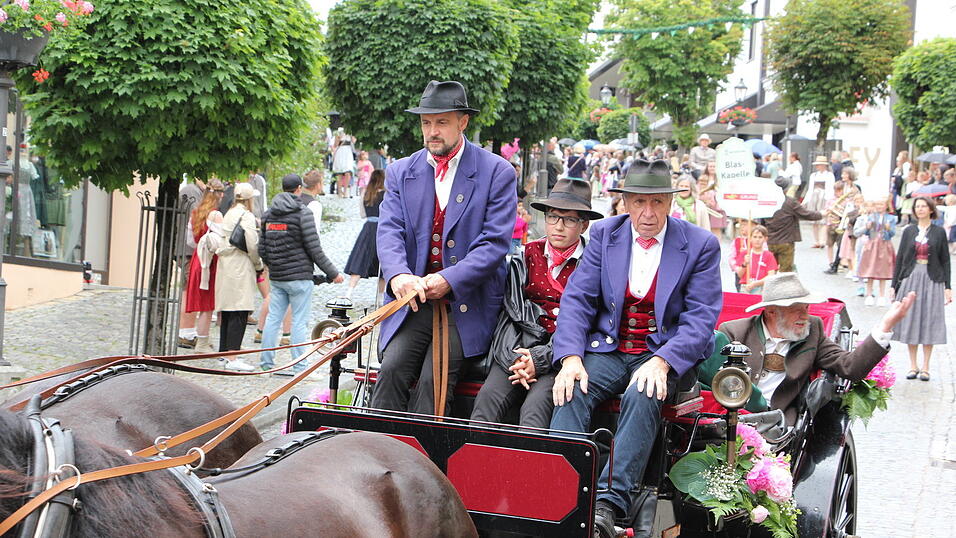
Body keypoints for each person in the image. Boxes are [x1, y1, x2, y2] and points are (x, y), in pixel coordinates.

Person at [549, 159, 722, 537]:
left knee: (644, 391)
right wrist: (571, 358)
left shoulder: (700, 245)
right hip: (609, 350)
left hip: (661, 352)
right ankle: (564, 489)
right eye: (639, 202)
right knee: (569, 387)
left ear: (670, 204)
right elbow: (578, 300)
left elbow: (701, 319)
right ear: (624, 202)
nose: (648, 213)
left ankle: (609, 504)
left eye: (657, 202)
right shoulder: (605, 235)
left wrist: (663, 361)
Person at [371, 80, 516, 416]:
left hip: (467, 304)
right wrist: (399, 277)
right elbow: (390, 231)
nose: (432, 131)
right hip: (414, 301)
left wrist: (448, 279)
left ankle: (426, 465)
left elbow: (494, 244)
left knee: (431, 382)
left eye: (441, 122)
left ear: (463, 122)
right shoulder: (400, 172)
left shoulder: (497, 172)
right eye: (426, 123)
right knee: (390, 370)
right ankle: (375, 454)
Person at [471, 178, 602, 428]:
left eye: (570, 219)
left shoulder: (593, 264)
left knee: (535, 410)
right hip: (516, 352)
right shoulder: (526, 255)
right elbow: (512, 313)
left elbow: (588, 322)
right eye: (552, 217)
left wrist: (540, 359)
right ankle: (475, 466)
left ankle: (528, 468)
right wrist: (520, 360)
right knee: (485, 404)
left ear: (584, 225)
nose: (558, 226)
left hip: (561, 356)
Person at [713, 272, 915, 424]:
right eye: (796, 309)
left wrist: (885, 326)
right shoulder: (734, 332)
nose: (805, 316)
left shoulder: (812, 331)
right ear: (772, 311)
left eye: (806, 308)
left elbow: (850, 367)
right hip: (731, 418)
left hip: (780, 424)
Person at [258, 174, 344, 376]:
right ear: (299, 189)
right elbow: (315, 249)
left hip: (278, 277)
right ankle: (300, 367)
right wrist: (333, 273)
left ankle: (266, 365)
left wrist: (274, 265)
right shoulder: (303, 214)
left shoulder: (268, 215)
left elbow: (261, 249)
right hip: (300, 278)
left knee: (273, 319)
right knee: (299, 321)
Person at [891, 197, 952, 382]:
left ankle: (926, 366)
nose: (920, 209)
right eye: (917, 206)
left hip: (932, 278)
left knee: (929, 320)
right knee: (911, 319)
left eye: (924, 206)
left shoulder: (939, 232)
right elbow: (900, 258)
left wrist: (948, 287)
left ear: (931, 209)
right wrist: (894, 285)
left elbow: (945, 260)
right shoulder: (909, 231)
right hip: (911, 277)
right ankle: (912, 365)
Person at [213, 183, 263, 371]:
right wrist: (258, 264)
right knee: (239, 311)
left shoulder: (229, 212)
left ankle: (223, 353)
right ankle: (233, 357)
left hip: (226, 264)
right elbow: (251, 243)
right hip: (240, 265)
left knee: (227, 310)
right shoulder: (246, 216)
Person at [184, 179, 225, 353]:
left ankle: (202, 340)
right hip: (210, 263)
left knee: (203, 304)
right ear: (219, 194)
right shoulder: (216, 215)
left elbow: (190, 241)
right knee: (207, 306)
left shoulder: (196, 212)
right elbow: (223, 242)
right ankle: (202, 343)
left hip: (197, 259)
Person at [343, 169, 386, 299]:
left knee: (360, 259)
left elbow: (362, 214)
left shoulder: (366, 194)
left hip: (368, 228)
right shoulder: (387, 195)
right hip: (382, 229)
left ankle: (349, 293)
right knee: (383, 264)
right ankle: (380, 296)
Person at [765, 176, 822, 272]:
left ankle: (769, 286)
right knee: (785, 272)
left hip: (770, 240)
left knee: (769, 270)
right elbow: (806, 214)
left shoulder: (767, 202)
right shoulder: (790, 202)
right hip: (786, 241)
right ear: (786, 189)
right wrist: (821, 214)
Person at [857, 197, 897, 306]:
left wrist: (889, 228)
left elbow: (893, 233)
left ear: (886, 206)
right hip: (872, 244)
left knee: (882, 270)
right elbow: (866, 231)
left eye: (881, 204)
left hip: (884, 244)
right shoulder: (871, 217)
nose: (879, 207)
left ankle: (881, 296)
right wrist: (867, 227)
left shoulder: (891, 218)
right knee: (870, 269)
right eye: (877, 205)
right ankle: (869, 294)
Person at [736, 225, 777, 294]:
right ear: (750, 238)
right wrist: (745, 264)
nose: (757, 240)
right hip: (746, 286)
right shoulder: (745, 253)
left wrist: (755, 284)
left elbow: (771, 275)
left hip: (762, 287)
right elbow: (739, 275)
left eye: (760, 237)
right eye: (754, 237)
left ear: (765, 239)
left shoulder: (769, 255)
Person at [805, 156, 834, 248]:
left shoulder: (829, 175)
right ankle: (816, 241)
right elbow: (810, 189)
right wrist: (806, 200)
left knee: (823, 220)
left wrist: (829, 201)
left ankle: (822, 241)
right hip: (814, 197)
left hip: (824, 198)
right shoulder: (813, 175)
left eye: (819, 165)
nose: (818, 167)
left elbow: (830, 188)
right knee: (814, 221)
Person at [331, 131, 355, 198]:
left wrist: (351, 136)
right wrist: (339, 137)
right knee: (339, 172)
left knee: (348, 171)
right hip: (340, 152)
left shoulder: (350, 131)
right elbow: (335, 144)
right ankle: (339, 191)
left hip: (348, 152)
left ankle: (345, 190)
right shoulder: (338, 131)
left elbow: (354, 141)